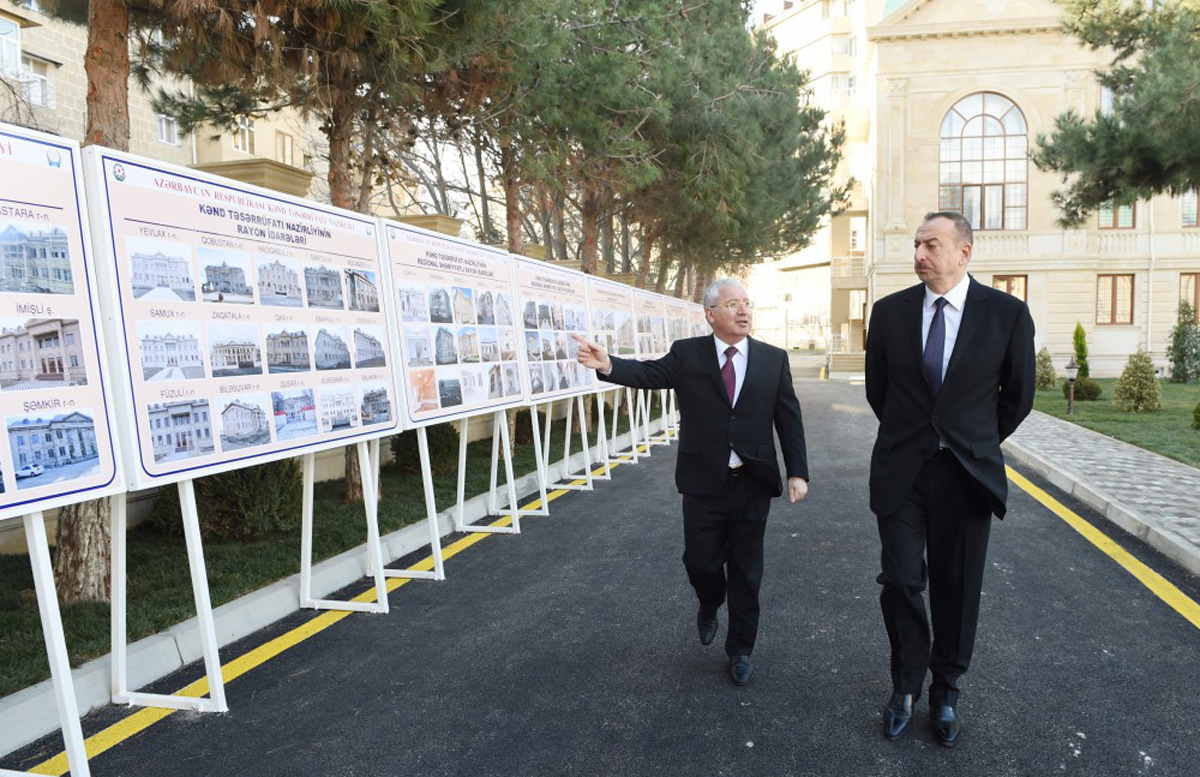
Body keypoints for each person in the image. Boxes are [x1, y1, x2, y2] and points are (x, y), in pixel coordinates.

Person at [572, 279, 808, 686]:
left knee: (747, 571)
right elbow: (648, 373)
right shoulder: (688, 354)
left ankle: (740, 650)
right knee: (701, 562)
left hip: (752, 481)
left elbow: (788, 416)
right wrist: (608, 364)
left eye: (747, 303)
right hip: (703, 482)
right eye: (732, 304)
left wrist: (797, 471)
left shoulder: (773, 359)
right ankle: (709, 600)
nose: (743, 310)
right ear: (710, 314)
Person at [865, 211, 1035, 747]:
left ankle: (945, 691)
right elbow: (878, 391)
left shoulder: (1006, 314)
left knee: (956, 588)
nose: (919, 253)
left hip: (965, 475)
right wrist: (914, 436)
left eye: (931, 244)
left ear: (964, 252)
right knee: (900, 580)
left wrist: (971, 440)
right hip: (903, 471)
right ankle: (905, 684)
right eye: (917, 244)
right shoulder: (889, 313)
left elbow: (1018, 397)